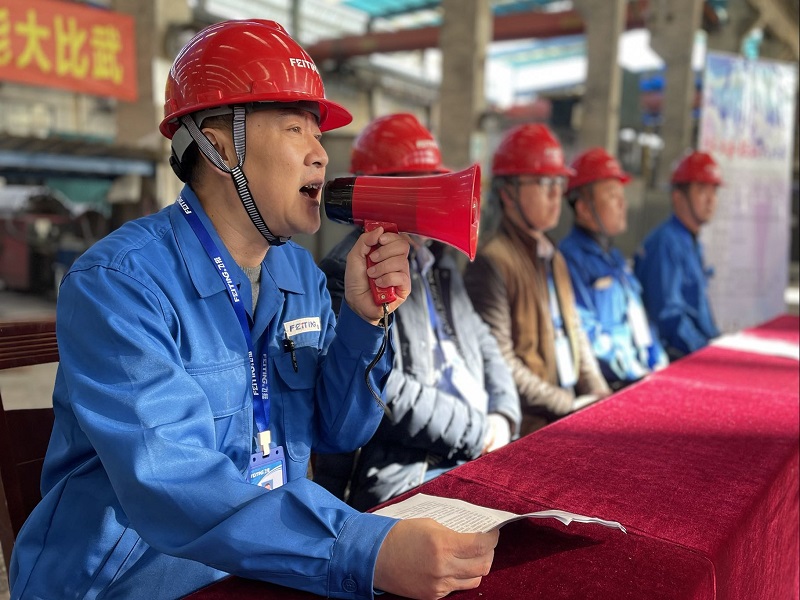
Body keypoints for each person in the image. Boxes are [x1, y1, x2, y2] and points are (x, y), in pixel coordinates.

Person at [9, 21, 498, 600]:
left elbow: (340, 430)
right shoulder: (118, 285)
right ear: (219, 146)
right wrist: (359, 548)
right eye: (295, 128)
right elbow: (171, 482)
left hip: (265, 568)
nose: (320, 153)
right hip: (132, 583)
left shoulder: (298, 274)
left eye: (318, 133)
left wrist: (364, 324)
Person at [314, 113, 521, 510]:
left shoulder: (437, 261)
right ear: (376, 192)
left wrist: (504, 415)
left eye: (436, 183)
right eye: (419, 186)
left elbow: (483, 341)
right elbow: (384, 390)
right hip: (409, 470)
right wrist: (478, 432)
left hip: (474, 446)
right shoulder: (346, 272)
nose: (435, 197)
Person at [463, 123, 610, 436]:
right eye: (544, 182)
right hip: (531, 428)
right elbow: (501, 363)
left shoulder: (554, 255)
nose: (557, 193)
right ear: (508, 193)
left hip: (570, 413)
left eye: (558, 181)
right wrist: (568, 404)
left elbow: (576, 334)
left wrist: (601, 397)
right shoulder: (491, 261)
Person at [559, 148, 668, 388]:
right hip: (612, 383)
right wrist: (632, 368)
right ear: (584, 209)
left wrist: (658, 360)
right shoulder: (569, 261)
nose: (623, 204)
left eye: (622, 194)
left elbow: (640, 318)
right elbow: (584, 333)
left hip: (640, 375)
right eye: (611, 195)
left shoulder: (615, 258)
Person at [634, 150, 723, 360]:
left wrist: (716, 343)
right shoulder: (665, 243)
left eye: (714, 191)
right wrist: (706, 352)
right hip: (676, 358)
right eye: (702, 190)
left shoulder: (691, 241)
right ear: (678, 197)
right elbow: (668, 317)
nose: (711, 200)